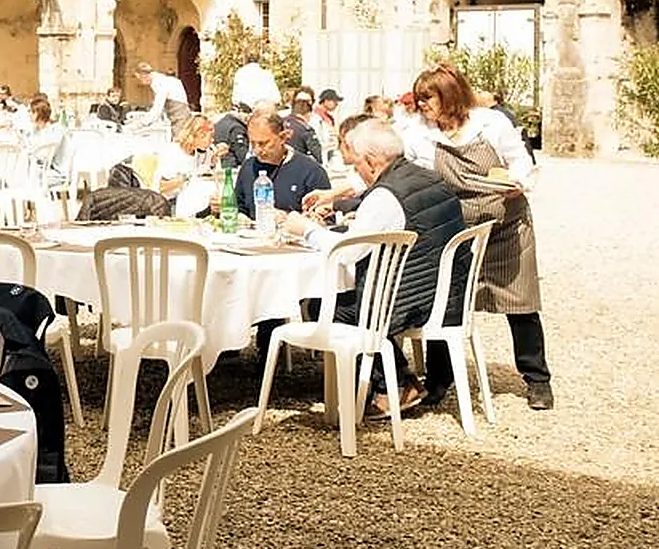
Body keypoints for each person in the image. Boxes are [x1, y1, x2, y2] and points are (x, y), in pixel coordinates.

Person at [281, 119, 471, 416]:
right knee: (346, 300)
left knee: (323, 305)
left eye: (356, 163)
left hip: (412, 300)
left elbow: (347, 254)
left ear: (370, 161)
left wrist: (305, 229)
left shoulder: (386, 196)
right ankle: (400, 378)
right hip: (446, 291)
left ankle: (393, 386)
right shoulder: (428, 177)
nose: (355, 170)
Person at [402, 64, 553, 410]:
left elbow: (520, 161)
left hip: (505, 227)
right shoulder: (418, 133)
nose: (423, 105)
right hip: (455, 231)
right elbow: (406, 169)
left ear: (450, 97)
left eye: (429, 98)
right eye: (420, 99)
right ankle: (440, 381)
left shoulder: (491, 123)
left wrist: (519, 183)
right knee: (448, 303)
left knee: (521, 304)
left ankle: (537, 380)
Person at [226, 106, 330, 219]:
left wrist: (287, 218)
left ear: (283, 138)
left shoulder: (311, 171)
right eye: (253, 143)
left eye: (263, 143)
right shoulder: (248, 168)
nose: (257, 150)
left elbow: (326, 219)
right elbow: (239, 208)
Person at [134, 62, 191, 135]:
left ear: (144, 75)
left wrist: (141, 123)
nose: (141, 82)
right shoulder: (161, 80)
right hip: (176, 117)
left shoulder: (160, 82)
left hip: (179, 117)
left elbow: (157, 109)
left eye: (140, 79)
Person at [283, 86, 326, 167]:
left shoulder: (318, 120)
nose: (303, 103)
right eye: (299, 101)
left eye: (307, 101)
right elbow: (318, 156)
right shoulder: (305, 129)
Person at [315, 88, 343, 160]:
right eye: (334, 101)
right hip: (323, 150)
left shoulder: (328, 116)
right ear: (326, 101)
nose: (337, 104)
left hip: (329, 149)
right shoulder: (316, 116)